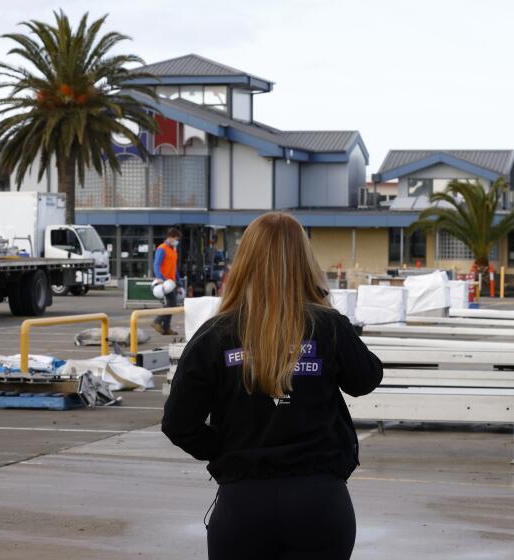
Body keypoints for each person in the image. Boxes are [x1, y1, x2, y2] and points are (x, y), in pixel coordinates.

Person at [161, 212, 382, 560]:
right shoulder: (328, 327)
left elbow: (178, 424)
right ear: (304, 262)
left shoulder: (215, 334)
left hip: (243, 503)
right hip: (319, 501)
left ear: (245, 261)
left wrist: (226, 447)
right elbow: (367, 379)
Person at [152, 227, 182, 335]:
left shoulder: (173, 250)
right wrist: (160, 279)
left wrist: (178, 282)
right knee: (171, 304)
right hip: (165, 282)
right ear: (169, 237)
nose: (176, 241)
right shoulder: (162, 248)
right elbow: (156, 265)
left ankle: (165, 327)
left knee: (171, 304)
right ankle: (158, 322)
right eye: (175, 239)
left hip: (171, 282)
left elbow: (174, 268)